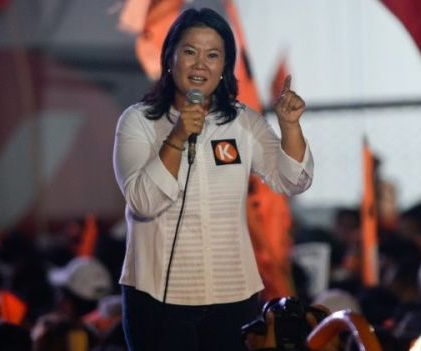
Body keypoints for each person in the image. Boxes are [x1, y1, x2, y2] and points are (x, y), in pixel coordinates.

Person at [112, 7, 313, 351]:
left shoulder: (242, 122)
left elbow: (293, 181)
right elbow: (143, 202)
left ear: (225, 66)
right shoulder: (138, 122)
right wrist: (176, 137)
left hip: (233, 294)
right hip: (157, 296)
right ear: (169, 58)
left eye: (213, 55)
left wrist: (290, 127)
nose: (200, 64)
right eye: (190, 52)